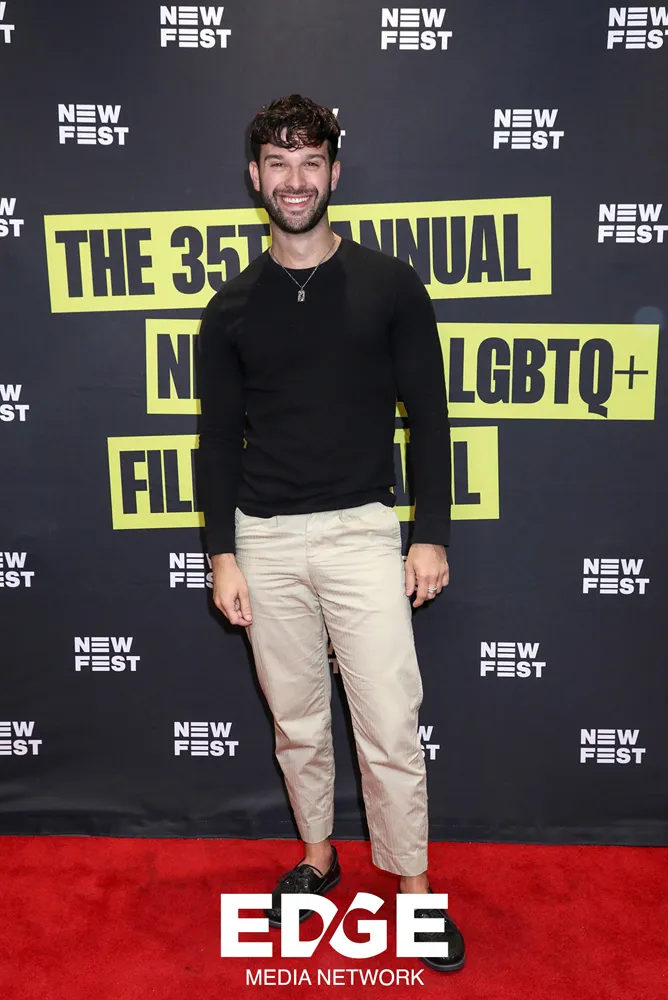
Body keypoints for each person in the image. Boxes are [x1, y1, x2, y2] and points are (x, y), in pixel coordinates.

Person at [196, 94, 465, 973]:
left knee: (389, 719)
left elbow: (430, 416)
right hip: (264, 541)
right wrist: (222, 554)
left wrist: (430, 532)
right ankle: (318, 856)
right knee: (299, 721)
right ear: (255, 178)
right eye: (278, 163)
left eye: (310, 162)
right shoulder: (229, 308)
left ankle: (415, 888)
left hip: (360, 530)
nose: (295, 179)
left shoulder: (390, 284)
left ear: (334, 173)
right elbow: (215, 442)